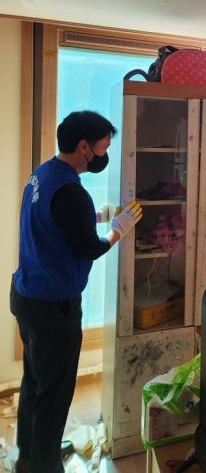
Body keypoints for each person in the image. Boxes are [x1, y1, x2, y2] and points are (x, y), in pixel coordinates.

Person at [10, 111, 142, 473]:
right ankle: (45, 466)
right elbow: (88, 248)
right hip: (54, 307)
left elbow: (53, 222)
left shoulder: (43, 173)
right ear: (85, 147)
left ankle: (28, 456)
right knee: (54, 393)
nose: (105, 153)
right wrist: (117, 229)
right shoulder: (71, 192)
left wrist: (96, 217)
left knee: (36, 381)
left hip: (27, 295)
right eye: (104, 146)